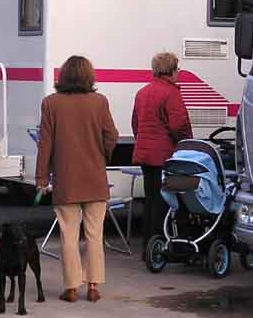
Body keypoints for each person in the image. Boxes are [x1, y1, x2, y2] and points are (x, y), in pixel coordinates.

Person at [35, 55, 118, 303]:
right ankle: (93, 286)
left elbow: (45, 144)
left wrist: (41, 177)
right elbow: (111, 136)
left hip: (66, 179)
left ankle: (71, 287)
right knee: (94, 234)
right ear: (88, 76)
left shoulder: (50, 103)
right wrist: (102, 155)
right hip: (95, 177)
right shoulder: (100, 102)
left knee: (68, 234)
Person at [131, 52, 193, 248]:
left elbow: (135, 124)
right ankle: (162, 244)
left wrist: (143, 141)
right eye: (177, 69)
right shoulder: (171, 93)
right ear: (172, 70)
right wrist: (187, 144)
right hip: (165, 155)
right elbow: (178, 126)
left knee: (150, 199)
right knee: (164, 200)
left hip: (145, 154)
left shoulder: (142, 92)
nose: (178, 73)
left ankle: (149, 244)